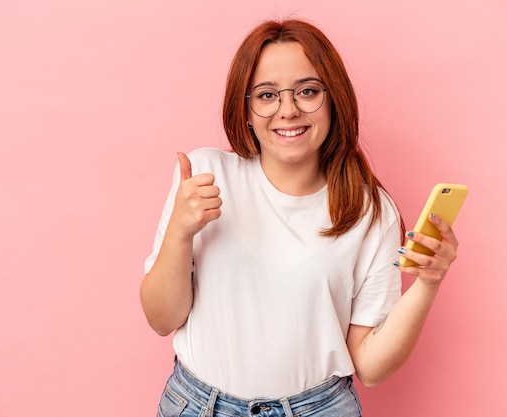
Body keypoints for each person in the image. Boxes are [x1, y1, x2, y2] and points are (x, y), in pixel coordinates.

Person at [141, 18, 459, 417]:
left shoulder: (370, 209)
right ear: (246, 111)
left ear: (333, 100)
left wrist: (428, 283)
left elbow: (371, 368)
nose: (288, 110)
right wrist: (180, 232)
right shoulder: (205, 176)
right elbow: (161, 319)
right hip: (198, 405)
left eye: (307, 91)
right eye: (267, 95)